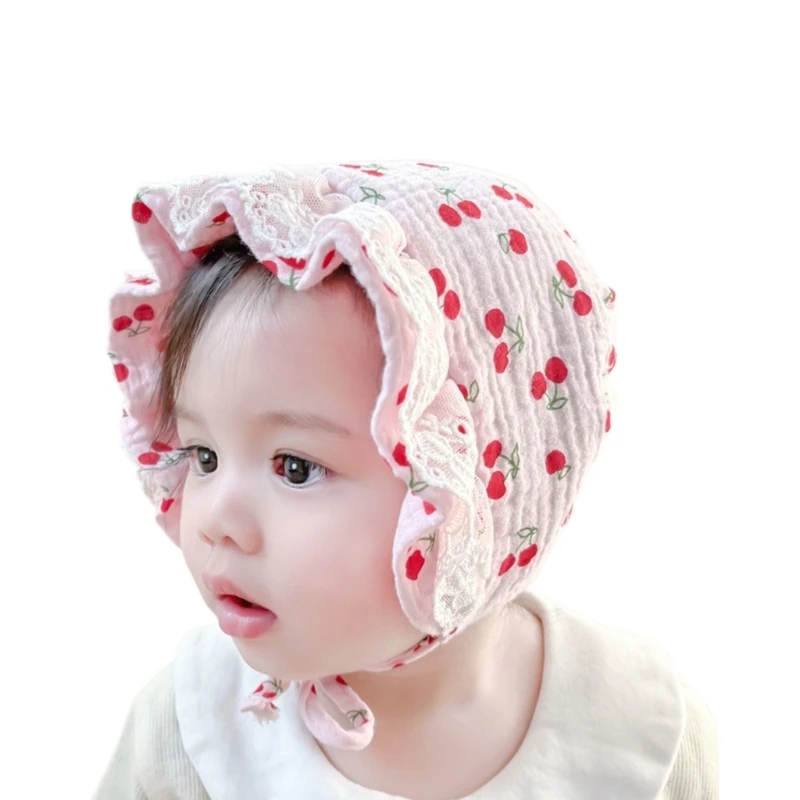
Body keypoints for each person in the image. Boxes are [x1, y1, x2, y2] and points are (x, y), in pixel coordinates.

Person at [93, 160, 718, 799]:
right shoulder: (190, 735)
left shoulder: (636, 736)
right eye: (203, 456)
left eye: (296, 468)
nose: (216, 521)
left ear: (476, 487)